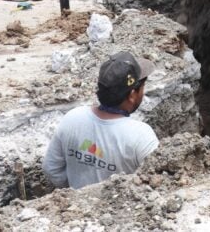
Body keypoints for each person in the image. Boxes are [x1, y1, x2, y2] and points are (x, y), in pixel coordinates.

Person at [42, 51, 159, 189]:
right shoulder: (141, 136)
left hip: (76, 207)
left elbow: (51, 168)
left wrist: (76, 194)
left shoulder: (72, 118)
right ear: (132, 95)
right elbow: (158, 180)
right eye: (142, 88)